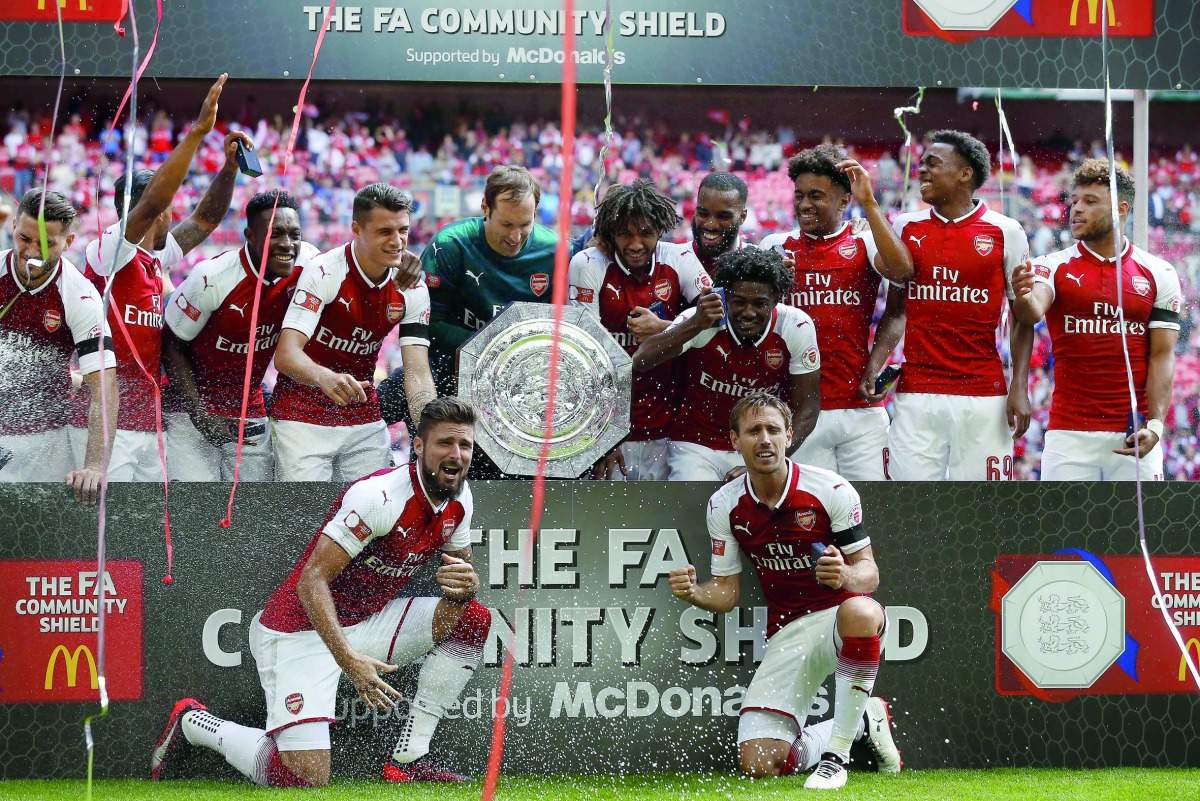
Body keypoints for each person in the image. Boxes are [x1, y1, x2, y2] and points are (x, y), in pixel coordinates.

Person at [150, 398, 489, 787]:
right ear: (417, 446)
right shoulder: (379, 497)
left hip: (365, 624)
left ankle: (409, 759)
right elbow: (311, 582)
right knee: (304, 778)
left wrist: (469, 586)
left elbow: (458, 578)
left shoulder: (460, 497)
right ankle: (195, 723)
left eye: (464, 445)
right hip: (299, 631)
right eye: (445, 443)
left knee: (472, 617)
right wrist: (349, 660)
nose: (456, 454)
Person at [668, 393, 901, 790]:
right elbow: (726, 592)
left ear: (789, 435)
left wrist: (844, 576)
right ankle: (865, 720)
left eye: (774, 430)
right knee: (760, 763)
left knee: (862, 611)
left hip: (838, 621)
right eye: (753, 431)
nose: (765, 440)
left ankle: (836, 756)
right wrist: (694, 593)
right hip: (787, 632)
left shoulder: (830, 489)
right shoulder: (724, 504)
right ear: (734, 440)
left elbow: (870, 574)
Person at [68, 74, 248, 481]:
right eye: (168, 205)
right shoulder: (110, 251)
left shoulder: (156, 255)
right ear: (157, 210)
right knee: (107, 535)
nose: (174, 211)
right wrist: (199, 132)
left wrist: (229, 169)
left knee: (147, 537)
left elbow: (205, 218)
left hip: (148, 424)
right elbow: (151, 204)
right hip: (103, 427)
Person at [1011, 158, 1181, 480]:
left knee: (1135, 532)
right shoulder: (1052, 265)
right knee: (1062, 532)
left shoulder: (1160, 272)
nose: (1076, 209)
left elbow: (1162, 355)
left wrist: (1156, 426)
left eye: (1090, 202)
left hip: (1134, 433)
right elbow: (1031, 311)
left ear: (1121, 209)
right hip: (1068, 434)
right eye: (1074, 201)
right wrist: (1022, 294)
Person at [886, 130, 1033, 481]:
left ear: (965, 173)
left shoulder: (1006, 231)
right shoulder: (903, 227)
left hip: (983, 396)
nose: (921, 171)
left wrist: (1020, 387)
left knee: (986, 509)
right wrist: (876, 369)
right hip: (916, 394)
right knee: (910, 506)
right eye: (920, 165)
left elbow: (1021, 317)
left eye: (933, 164)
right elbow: (895, 310)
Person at [760, 145, 913, 480]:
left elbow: (903, 274)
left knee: (875, 509)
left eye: (816, 195)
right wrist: (771, 282)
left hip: (860, 410)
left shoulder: (864, 240)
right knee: (813, 517)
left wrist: (870, 204)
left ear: (844, 200)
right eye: (799, 195)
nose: (804, 204)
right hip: (798, 412)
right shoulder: (774, 246)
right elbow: (750, 319)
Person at [272, 183, 435, 482]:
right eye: (384, 232)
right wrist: (325, 378)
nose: (397, 241)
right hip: (301, 417)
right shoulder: (325, 271)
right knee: (303, 521)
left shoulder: (413, 287)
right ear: (356, 229)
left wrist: (431, 430)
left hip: (363, 420)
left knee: (373, 516)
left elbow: (417, 372)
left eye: (403, 230)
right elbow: (286, 355)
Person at [162, 190, 320, 481]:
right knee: (194, 507)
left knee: (250, 509)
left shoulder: (309, 263)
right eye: (275, 235)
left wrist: (400, 268)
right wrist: (200, 414)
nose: (287, 245)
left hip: (250, 408)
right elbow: (172, 346)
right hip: (191, 410)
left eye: (294, 235)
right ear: (250, 235)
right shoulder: (212, 278)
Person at [633, 247, 820, 481]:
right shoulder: (703, 319)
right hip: (697, 445)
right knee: (696, 511)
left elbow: (809, 409)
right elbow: (641, 361)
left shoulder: (795, 325)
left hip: (759, 444)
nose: (748, 312)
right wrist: (696, 324)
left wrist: (775, 456)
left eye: (759, 304)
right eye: (738, 302)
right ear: (725, 296)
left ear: (776, 299)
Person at [568, 179, 713, 480]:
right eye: (625, 234)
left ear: (660, 229)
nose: (635, 245)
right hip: (613, 431)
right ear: (610, 233)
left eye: (645, 233)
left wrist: (663, 328)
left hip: (671, 429)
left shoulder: (679, 258)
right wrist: (603, 434)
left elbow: (715, 317)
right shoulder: (587, 264)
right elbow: (584, 355)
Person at [420, 165, 556, 479]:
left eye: (525, 224)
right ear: (485, 207)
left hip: (520, 382)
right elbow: (428, 322)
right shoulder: (451, 245)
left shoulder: (555, 251)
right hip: (450, 371)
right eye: (506, 223)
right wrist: (490, 345)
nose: (515, 236)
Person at [0, 189, 117, 504]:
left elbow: (105, 389)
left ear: (69, 242)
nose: (33, 251)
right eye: (26, 238)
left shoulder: (81, 296)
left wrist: (94, 466)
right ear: (13, 226)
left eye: (47, 243)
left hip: (46, 444)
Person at [690, 171, 749, 276]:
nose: (710, 225)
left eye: (723, 217)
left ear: (742, 217)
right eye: (703, 214)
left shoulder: (757, 268)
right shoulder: (669, 261)